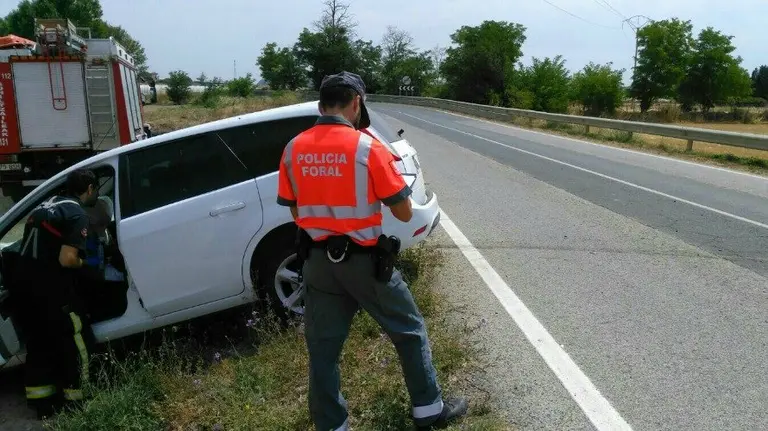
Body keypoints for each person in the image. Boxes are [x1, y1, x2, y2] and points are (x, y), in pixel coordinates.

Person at [276, 71, 468, 430]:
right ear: (356, 103)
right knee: (408, 330)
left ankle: (332, 425)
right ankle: (428, 410)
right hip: (364, 263)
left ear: (321, 105)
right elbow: (403, 211)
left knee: (323, 350)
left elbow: (295, 210)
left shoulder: (293, 148)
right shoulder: (368, 147)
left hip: (317, 263)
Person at [11, 168, 100, 419]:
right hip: (51, 289)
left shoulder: (45, 205)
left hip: (24, 289)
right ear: (90, 189)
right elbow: (67, 259)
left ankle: (43, 405)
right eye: (96, 190)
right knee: (76, 339)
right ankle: (79, 400)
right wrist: (88, 266)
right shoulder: (77, 214)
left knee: (39, 343)